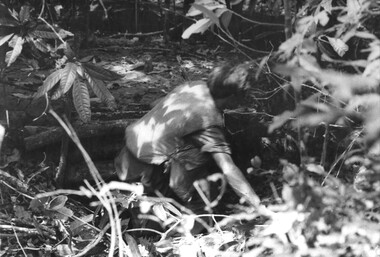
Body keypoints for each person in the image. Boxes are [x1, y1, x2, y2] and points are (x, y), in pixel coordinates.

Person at [114, 62, 265, 212]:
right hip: (147, 174)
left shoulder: (194, 87)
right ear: (233, 97)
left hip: (125, 157)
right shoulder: (208, 120)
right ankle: (188, 227)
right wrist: (259, 207)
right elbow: (228, 168)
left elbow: (156, 103)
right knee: (208, 197)